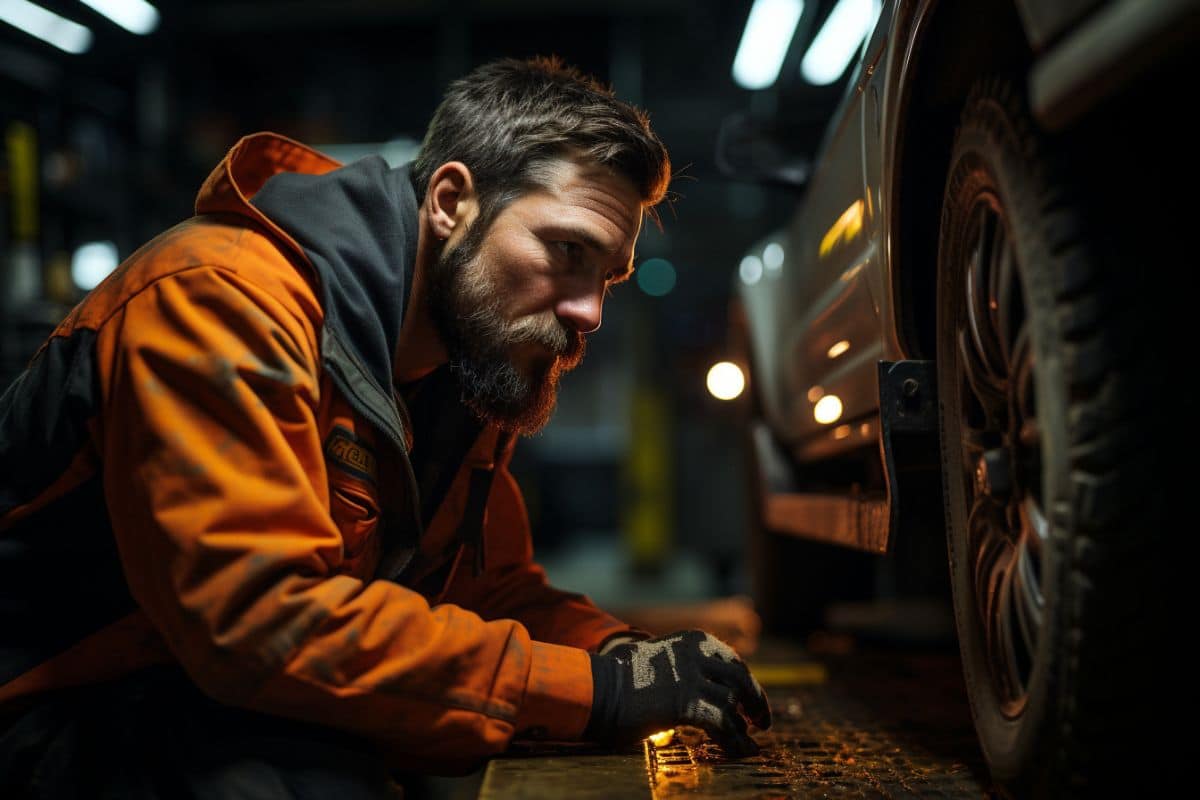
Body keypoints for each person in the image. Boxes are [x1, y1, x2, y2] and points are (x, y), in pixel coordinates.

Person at [0, 57, 770, 796]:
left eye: (607, 278)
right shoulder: (220, 302)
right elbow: (260, 623)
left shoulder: (463, 359)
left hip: (204, 700)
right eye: (567, 250)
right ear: (449, 202)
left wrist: (621, 656)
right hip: (57, 715)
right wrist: (590, 692)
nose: (588, 312)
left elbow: (484, 592)